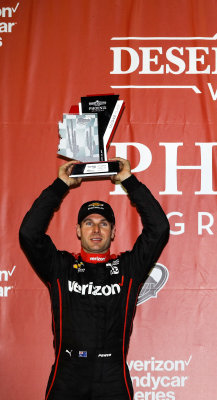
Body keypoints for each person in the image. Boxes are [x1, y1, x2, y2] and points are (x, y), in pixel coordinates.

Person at [19, 158, 170, 400]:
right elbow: (29, 233)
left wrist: (130, 182)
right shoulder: (60, 267)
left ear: (113, 232)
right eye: (89, 223)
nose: (96, 230)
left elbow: (159, 228)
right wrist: (60, 185)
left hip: (112, 379)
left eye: (103, 224)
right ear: (78, 230)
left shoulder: (128, 268)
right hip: (66, 378)